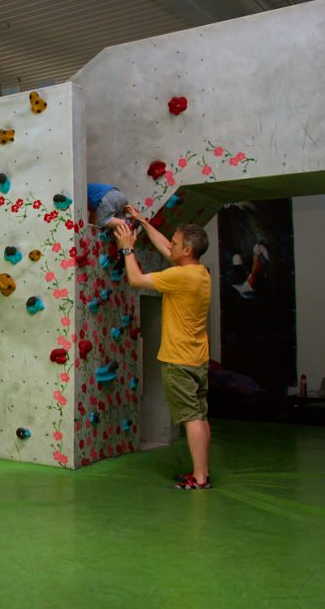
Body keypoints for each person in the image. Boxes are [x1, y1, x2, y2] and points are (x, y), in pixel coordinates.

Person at [114, 206, 212, 489]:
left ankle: (199, 478)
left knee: (190, 418)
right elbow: (168, 249)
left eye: (177, 244)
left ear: (188, 250)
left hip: (178, 360)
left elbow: (135, 280)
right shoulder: (199, 273)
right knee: (200, 417)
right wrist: (144, 223)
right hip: (197, 359)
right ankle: (202, 471)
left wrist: (127, 249)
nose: (172, 246)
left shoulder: (179, 277)